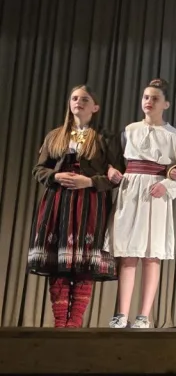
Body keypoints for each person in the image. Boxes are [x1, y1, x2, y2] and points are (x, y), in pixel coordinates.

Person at [29, 85, 122, 327]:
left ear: (95, 107)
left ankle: (75, 322)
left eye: (84, 99)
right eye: (74, 98)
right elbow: (39, 170)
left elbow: (117, 176)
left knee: (84, 261)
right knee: (58, 261)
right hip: (58, 202)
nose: (78, 102)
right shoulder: (55, 136)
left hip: (90, 203)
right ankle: (60, 321)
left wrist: (89, 181)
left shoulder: (105, 138)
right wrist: (56, 176)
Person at [107, 78, 176, 329]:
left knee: (151, 254)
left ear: (165, 104)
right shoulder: (130, 130)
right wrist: (112, 171)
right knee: (128, 254)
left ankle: (143, 315)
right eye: (146, 97)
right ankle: (121, 313)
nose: (149, 101)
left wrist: (167, 186)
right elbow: (115, 161)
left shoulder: (173, 135)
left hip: (155, 194)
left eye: (155, 98)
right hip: (130, 191)